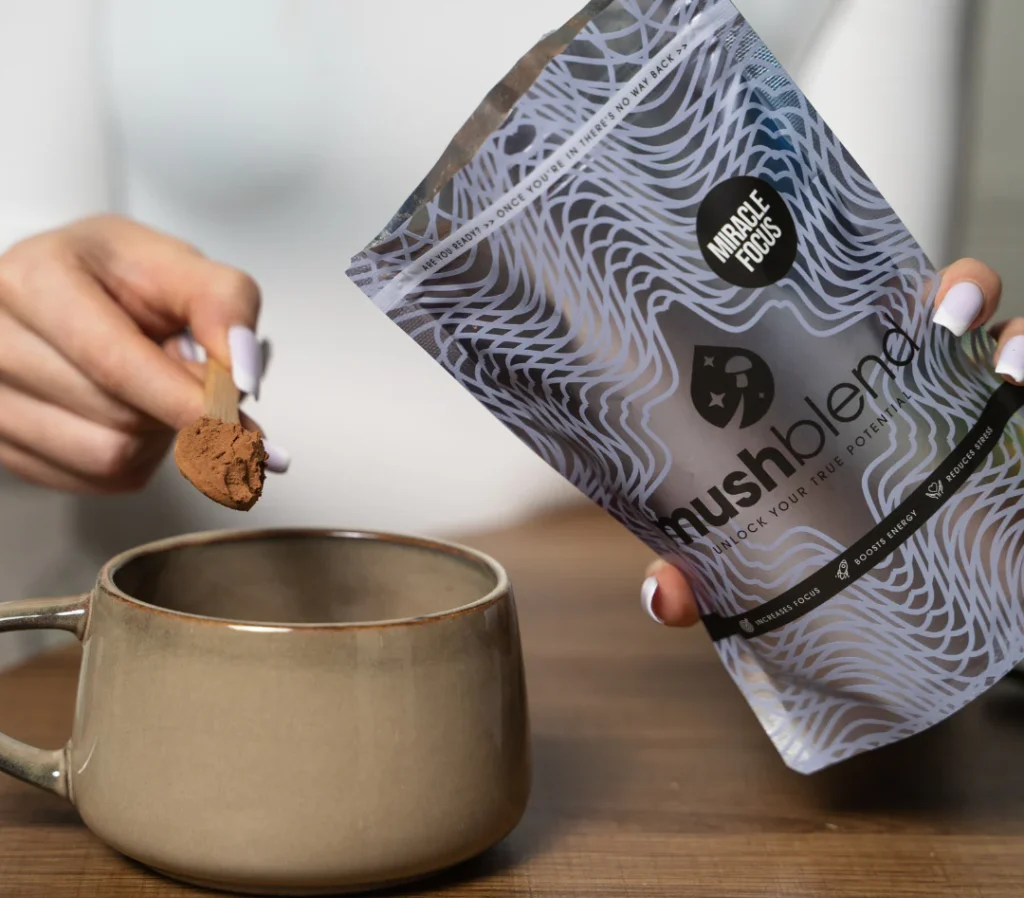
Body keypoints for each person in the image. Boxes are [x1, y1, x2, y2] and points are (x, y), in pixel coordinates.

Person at [0, 215, 1017, 628]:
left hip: (596, 624)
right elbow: (28, 231)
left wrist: (919, 427)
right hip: (139, 622)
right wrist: (31, 313)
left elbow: (834, 304)